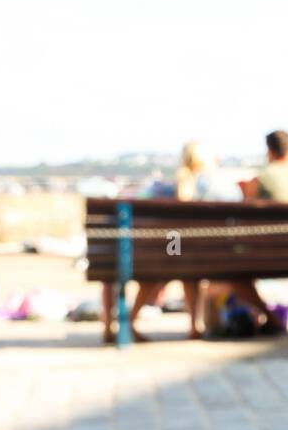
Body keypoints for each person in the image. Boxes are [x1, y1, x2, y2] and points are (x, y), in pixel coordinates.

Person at [102, 142, 238, 343]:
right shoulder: (218, 186)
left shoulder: (169, 187)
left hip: (170, 256)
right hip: (200, 259)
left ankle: (127, 322)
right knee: (186, 266)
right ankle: (194, 325)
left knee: (166, 261)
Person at [225, 130, 288, 334]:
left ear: (269, 151)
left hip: (274, 254)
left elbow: (246, 219)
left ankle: (271, 318)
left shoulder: (264, 176)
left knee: (233, 274)